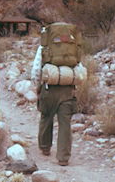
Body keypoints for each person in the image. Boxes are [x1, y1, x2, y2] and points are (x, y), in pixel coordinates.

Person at [31, 32, 78, 166]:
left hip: (49, 88)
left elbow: (36, 69)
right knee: (65, 124)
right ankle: (63, 157)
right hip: (68, 89)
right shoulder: (72, 46)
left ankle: (45, 147)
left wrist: (37, 85)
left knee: (46, 116)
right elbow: (78, 67)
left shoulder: (44, 47)